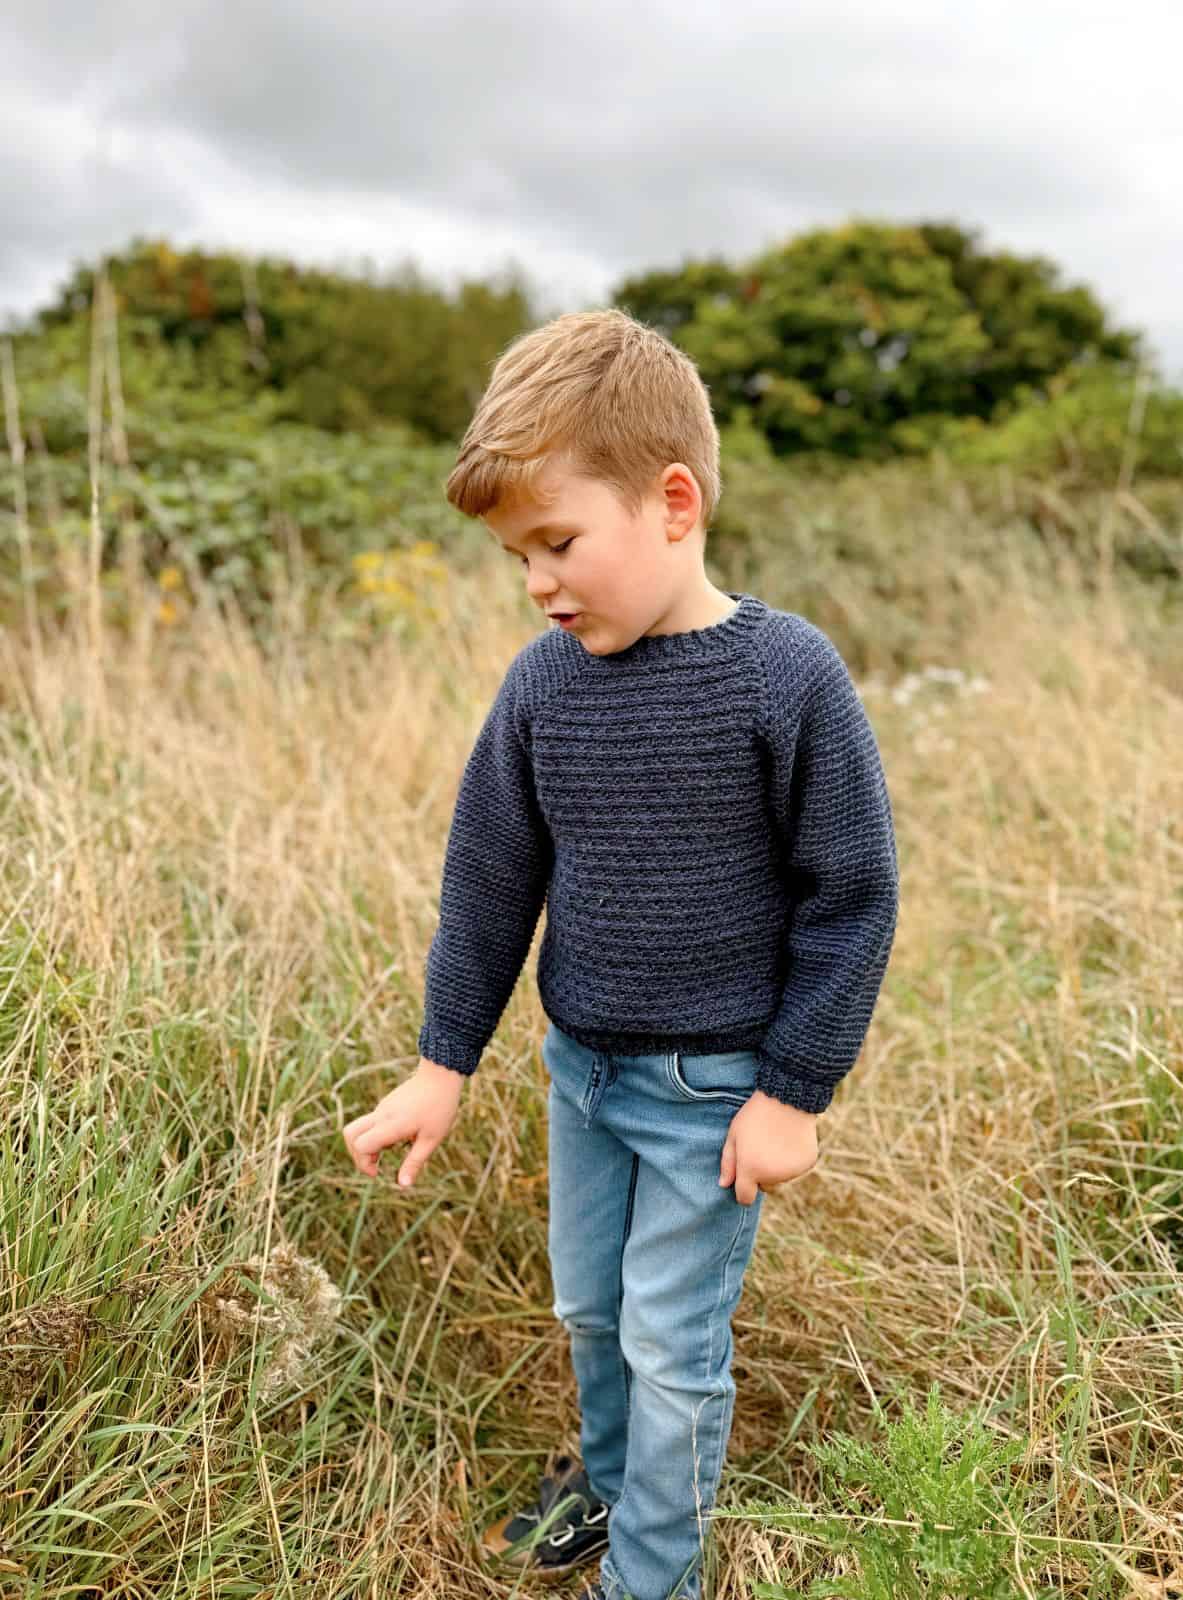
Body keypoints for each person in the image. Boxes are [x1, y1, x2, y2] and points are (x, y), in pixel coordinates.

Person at [342, 308, 901, 1600]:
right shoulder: (542, 689)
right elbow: (490, 884)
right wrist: (444, 1062)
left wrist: (794, 1092)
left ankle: (653, 1576)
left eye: (557, 542)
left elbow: (851, 896)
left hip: (715, 1093)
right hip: (582, 1073)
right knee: (589, 1312)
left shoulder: (786, 678)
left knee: (670, 1337)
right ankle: (604, 1487)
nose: (538, 582)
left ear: (673, 502)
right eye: (515, 558)